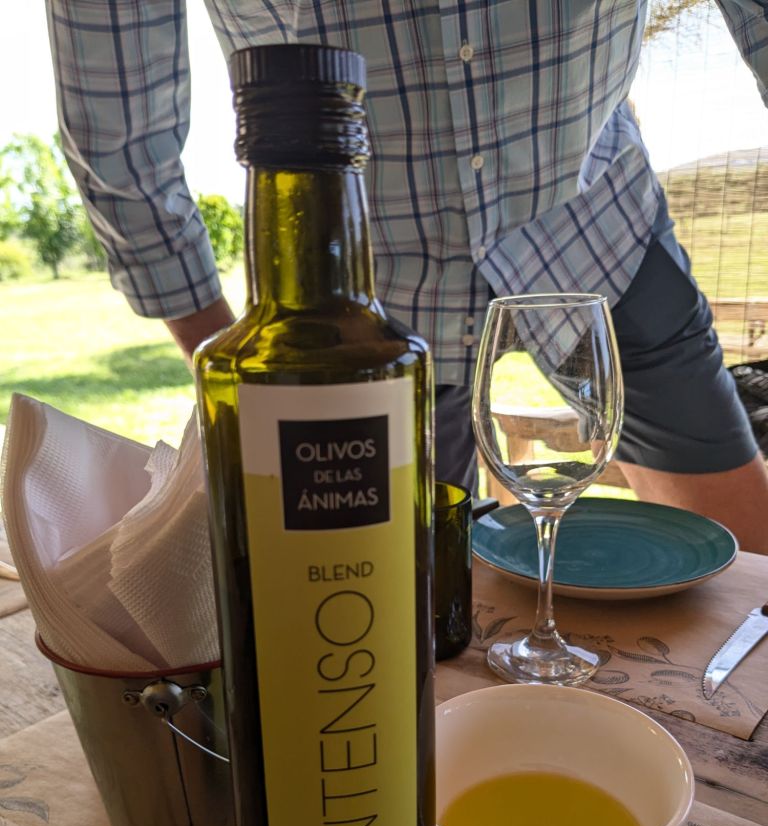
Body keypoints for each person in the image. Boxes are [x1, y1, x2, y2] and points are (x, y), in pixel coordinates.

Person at [45, 1, 768, 553]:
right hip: (355, 300)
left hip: (601, 233)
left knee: (746, 565)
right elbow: (118, 127)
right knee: (390, 595)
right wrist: (237, 382)